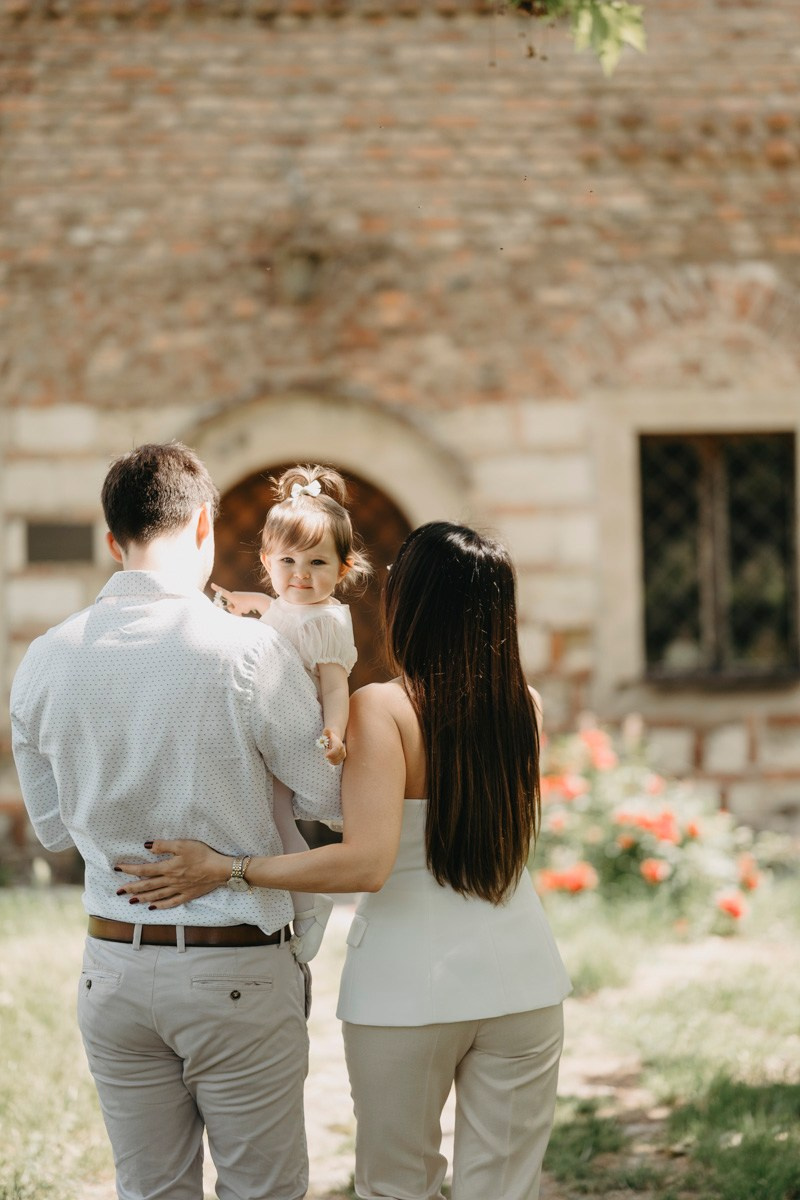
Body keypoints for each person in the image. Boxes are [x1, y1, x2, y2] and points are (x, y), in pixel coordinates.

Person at [117, 520, 572, 1200]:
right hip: (527, 981)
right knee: (506, 1187)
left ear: (408, 602)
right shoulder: (526, 708)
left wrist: (231, 868)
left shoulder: (383, 709)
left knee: (396, 1185)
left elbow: (365, 864)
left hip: (407, 988)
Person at [10, 442, 342, 1200]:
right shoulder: (249, 651)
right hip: (235, 969)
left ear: (112, 541)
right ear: (202, 526)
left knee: (150, 1191)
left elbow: (54, 832)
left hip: (112, 969)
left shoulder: (44, 660)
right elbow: (330, 798)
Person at [211, 463, 371, 963]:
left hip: (297, 729)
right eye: (288, 560)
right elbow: (273, 608)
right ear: (267, 560)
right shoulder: (287, 604)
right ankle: (270, 897)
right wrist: (245, 602)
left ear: (343, 568)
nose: (301, 574)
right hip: (264, 724)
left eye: (317, 562)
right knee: (259, 812)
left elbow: (336, 685)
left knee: (278, 820)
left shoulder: (326, 621)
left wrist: (335, 732)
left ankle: (308, 904)